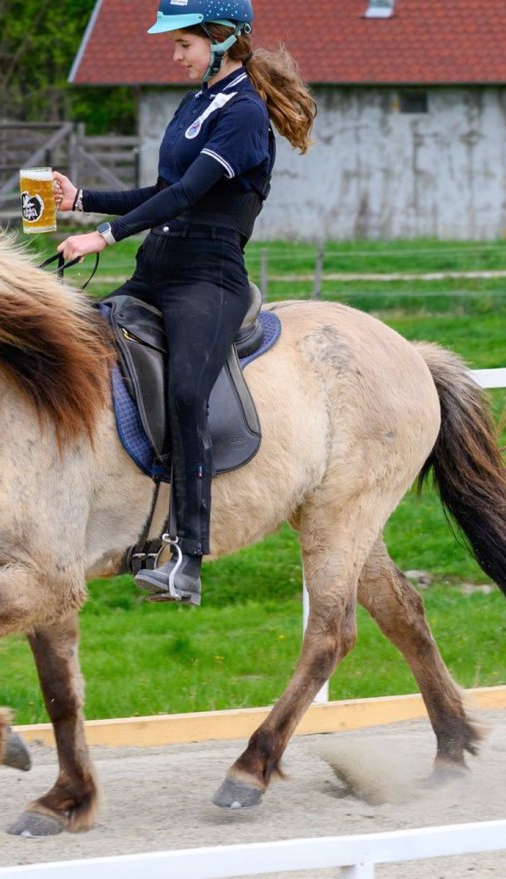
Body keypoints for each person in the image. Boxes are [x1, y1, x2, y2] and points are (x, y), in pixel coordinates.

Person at [53, 0, 316, 605]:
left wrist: (104, 235)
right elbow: (164, 191)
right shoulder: (199, 101)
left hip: (208, 278)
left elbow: (195, 192)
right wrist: (82, 198)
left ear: (222, 40)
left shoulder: (247, 114)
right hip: (157, 270)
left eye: (184, 46)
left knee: (189, 393)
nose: (176, 57)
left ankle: (187, 558)